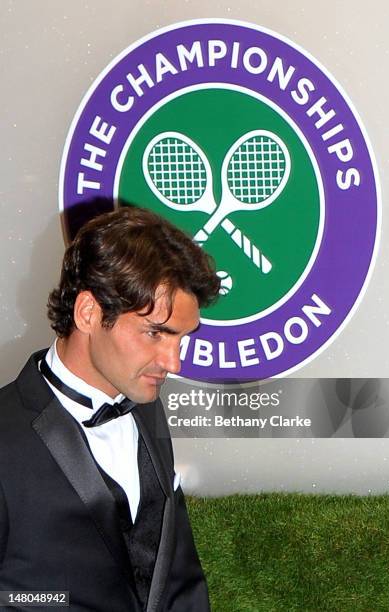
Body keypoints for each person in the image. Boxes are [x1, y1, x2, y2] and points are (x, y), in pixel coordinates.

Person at [0, 205, 220, 611]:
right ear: (89, 313)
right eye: (155, 333)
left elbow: (178, 577)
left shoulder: (146, 409)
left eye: (180, 339)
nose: (174, 363)